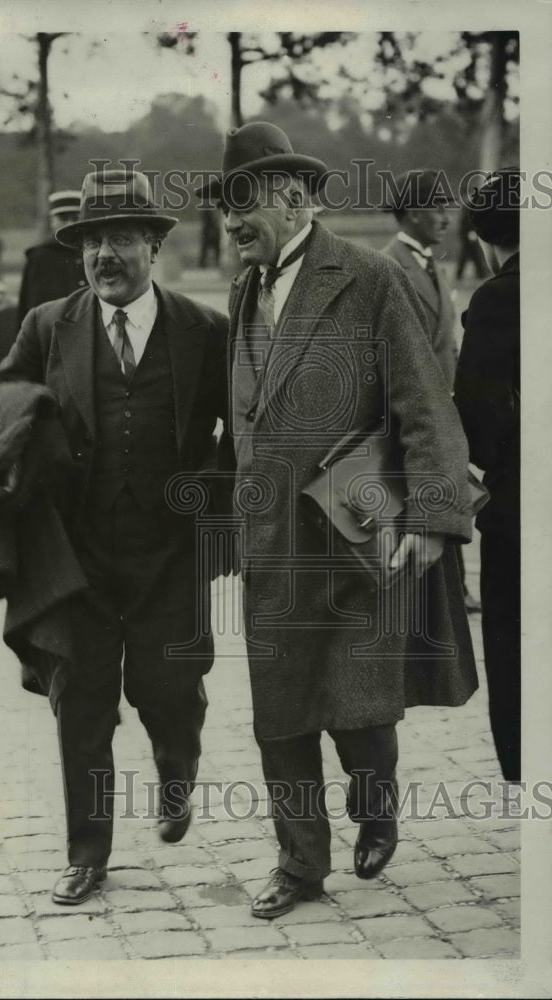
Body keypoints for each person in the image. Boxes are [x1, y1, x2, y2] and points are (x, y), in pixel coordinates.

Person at [202, 122, 478, 919]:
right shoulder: (242, 291)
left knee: (358, 701)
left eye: (241, 204)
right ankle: (298, 865)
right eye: (223, 209)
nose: (230, 224)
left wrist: (430, 517)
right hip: (269, 545)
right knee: (279, 714)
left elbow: (423, 406)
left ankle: (376, 804)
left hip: (353, 538)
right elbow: (244, 416)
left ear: (291, 197)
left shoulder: (364, 278)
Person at [0, 168, 229, 906]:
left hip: (169, 552)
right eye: (93, 242)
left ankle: (175, 769)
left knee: (168, 690)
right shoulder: (46, 325)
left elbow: (243, 432)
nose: (104, 257)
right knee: (81, 702)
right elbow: (0, 398)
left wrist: (213, 506)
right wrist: (10, 450)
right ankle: (86, 853)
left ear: (154, 246)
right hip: (77, 555)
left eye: (122, 238)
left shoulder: (203, 330)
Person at [383, 169, 481, 613]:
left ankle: (454, 589)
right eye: (438, 207)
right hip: (411, 415)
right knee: (420, 500)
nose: (447, 216)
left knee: (445, 494)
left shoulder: (433, 266)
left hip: (443, 408)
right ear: (412, 213)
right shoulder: (388, 266)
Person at [454, 169, 521, 783]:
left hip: (524, 518)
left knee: (518, 653)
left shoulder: (499, 299)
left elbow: (474, 413)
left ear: (482, 239)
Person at [17, 189, 88, 324]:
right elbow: (30, 306)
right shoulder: (40, 257)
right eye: (62, 219)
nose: (68, 224)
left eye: (74, 218)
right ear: (52, 222)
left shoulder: (91, 251)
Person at [456, 203, 489, 282]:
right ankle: (480, 274)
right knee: (472, 257)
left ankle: (480, 273)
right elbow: (464, 228)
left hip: (470, 238)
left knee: (472, 257)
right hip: (468, 239)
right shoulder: (467, 216)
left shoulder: (469, 215)